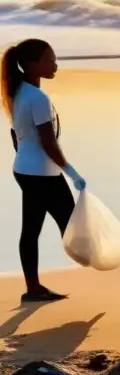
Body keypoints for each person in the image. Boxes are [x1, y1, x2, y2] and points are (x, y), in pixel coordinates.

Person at [3, 39, 86, 303]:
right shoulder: (37, 97)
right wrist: (71, 172)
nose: (55, 65)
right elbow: (48, 142)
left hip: (26, 170)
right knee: (71, 224)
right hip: (41, 173)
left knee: (31, 228)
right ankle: (102, 262)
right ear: (32, 65)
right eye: (49, 60)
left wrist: (28, 161)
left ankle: (33, 288)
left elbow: (16, 135)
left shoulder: (18, 92)